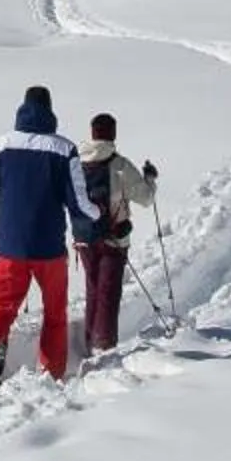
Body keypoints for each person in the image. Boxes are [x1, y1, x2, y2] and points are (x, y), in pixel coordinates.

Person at [0, 84, 100, 385]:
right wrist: (96, 216)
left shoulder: (1, 145)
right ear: (50, 110)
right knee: (55, 312)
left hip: (10, 247)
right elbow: (78, 203)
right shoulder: (64, 149)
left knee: (1, 306)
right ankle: (51, 373)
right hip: (49, 249)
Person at [69, 112, 158, 352]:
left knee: (93, 288)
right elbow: (146, 198)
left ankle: (90, 342)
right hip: (114, 238)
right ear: (113, 134)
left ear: (92, 132)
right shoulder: (120, 165)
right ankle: (103, 346)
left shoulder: (76, 163)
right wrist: (150, 178)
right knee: (109, 292)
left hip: (83, 238)